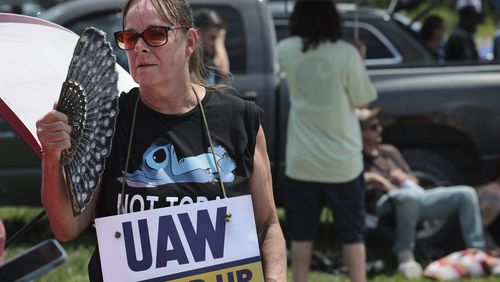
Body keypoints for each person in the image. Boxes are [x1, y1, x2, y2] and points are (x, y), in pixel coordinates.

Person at [35, 0, 286, 281]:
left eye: (156, 34)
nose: (139, 47)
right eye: (129, 38)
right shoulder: (109, 121)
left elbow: (268, 227)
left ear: (189, 42)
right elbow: (67, 227)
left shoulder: (239, 119)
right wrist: (52, 155)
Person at [277, 1, 377, 281]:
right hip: (343, 161)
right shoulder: (347, 53)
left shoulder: (285, 50)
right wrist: (359, 59)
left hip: (302, 160)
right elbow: (361, 99)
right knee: (352, 234)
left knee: (301, 234)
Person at [357, 108, 486, 279]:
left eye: (378, 125)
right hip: (383, 203)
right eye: (373, 127)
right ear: (361, 132)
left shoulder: (389, 151)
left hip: (414, 197)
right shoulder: (356, 157)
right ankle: (405, 254)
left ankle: (477, 252)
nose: (379, 129)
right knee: (406, 197)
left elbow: (413, 181)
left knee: (466, 193)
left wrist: (404, 178)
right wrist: (376, 178)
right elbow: (352, 180)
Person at [193, 8, 230, 84]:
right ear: (199, 34)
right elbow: (223, 70)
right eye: (212, 38)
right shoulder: (192, 58)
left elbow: (223, 72)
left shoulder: (207, 55)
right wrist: (220, 40)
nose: (215, 44)